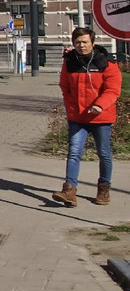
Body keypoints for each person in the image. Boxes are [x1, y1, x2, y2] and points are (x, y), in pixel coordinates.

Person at [53, 27, 120, 207]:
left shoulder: (106, 62)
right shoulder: (69, 62)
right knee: (74, 152)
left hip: (101, 118)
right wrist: (70, 106)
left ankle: (103, 188)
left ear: (92, 43)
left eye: (85, 42)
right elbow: (64, 86)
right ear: (73, 44)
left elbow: (113, 89)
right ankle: (69, 190)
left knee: (104, 153)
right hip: (78, 118)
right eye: (78, 42)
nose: (81, 46)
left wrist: (100, 105)